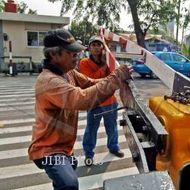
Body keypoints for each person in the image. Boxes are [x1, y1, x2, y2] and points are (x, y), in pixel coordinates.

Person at [28, 29, 131, 190]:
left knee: (69, 169)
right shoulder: (49, 81)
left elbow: (92, 83)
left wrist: (117, 78)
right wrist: (116, 78)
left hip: (62, 147)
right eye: (72, 53)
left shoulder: (69, 73)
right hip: (48, 150)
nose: (77, 56)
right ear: (54, 55)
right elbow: (83, 99)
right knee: (69, 184)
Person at [79, 35, 124, 167]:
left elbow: (114, 76)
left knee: (112, 127)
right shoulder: (84, 63)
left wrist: (109, 62)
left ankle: (114, 147)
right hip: (94, 102)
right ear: (89, 48)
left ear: (102, 47)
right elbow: (91, 79)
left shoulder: (109, 61)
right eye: (93, 45)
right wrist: (105, 67)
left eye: (99, 45)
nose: (96, 47)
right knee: (91, 129)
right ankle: (88, 153)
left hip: (110, 101)